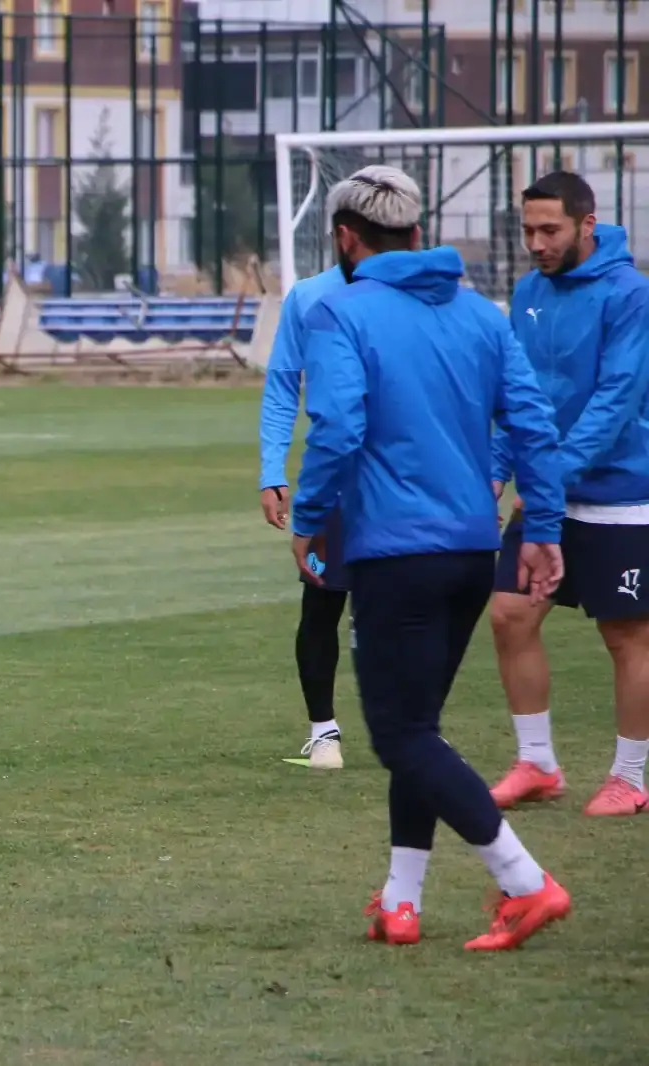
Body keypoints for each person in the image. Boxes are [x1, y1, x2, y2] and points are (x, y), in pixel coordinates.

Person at [293, 165, 572, 950]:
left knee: (400, 735)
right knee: (423, 728)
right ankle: (400, 901)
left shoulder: (342, 313)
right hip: (470, 551)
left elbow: (340, 429)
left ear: (347, 239)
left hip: (395, 554)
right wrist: (542, 524)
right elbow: (531, 424)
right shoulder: (483, 316)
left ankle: (525, 884)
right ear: (419, 233)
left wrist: (310, 519)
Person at [485, 172, 649, 817]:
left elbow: (617, 398)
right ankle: (538, 763)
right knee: (509, 613)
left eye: (549, 229)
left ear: (587, 223)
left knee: (625, 634)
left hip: (617, 492)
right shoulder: (528, 291)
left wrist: (545, 476)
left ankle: (631, 776)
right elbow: (516, 397)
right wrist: (496, 468)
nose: (536, 243)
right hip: (547, 493)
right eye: (527, 230)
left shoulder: (629, 293)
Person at [259, 262, 350, 769]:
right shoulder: (310, 297)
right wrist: (272, 469)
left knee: (406, 608)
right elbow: (281, 386)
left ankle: (416, 725)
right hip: (335, 477)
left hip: (406, 478)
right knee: (321, 602)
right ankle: (324, 732)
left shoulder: (422, 293)